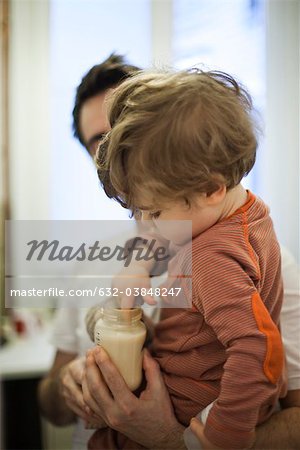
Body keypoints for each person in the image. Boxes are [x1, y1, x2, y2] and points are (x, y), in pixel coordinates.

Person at [38, 57, 300, 449]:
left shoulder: (221, 257)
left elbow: (257, 355)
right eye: (102, 145)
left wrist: (176, 439)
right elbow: (50, 404)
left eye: (154, 210)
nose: (146, 220)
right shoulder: (224, 214)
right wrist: (72, 386)